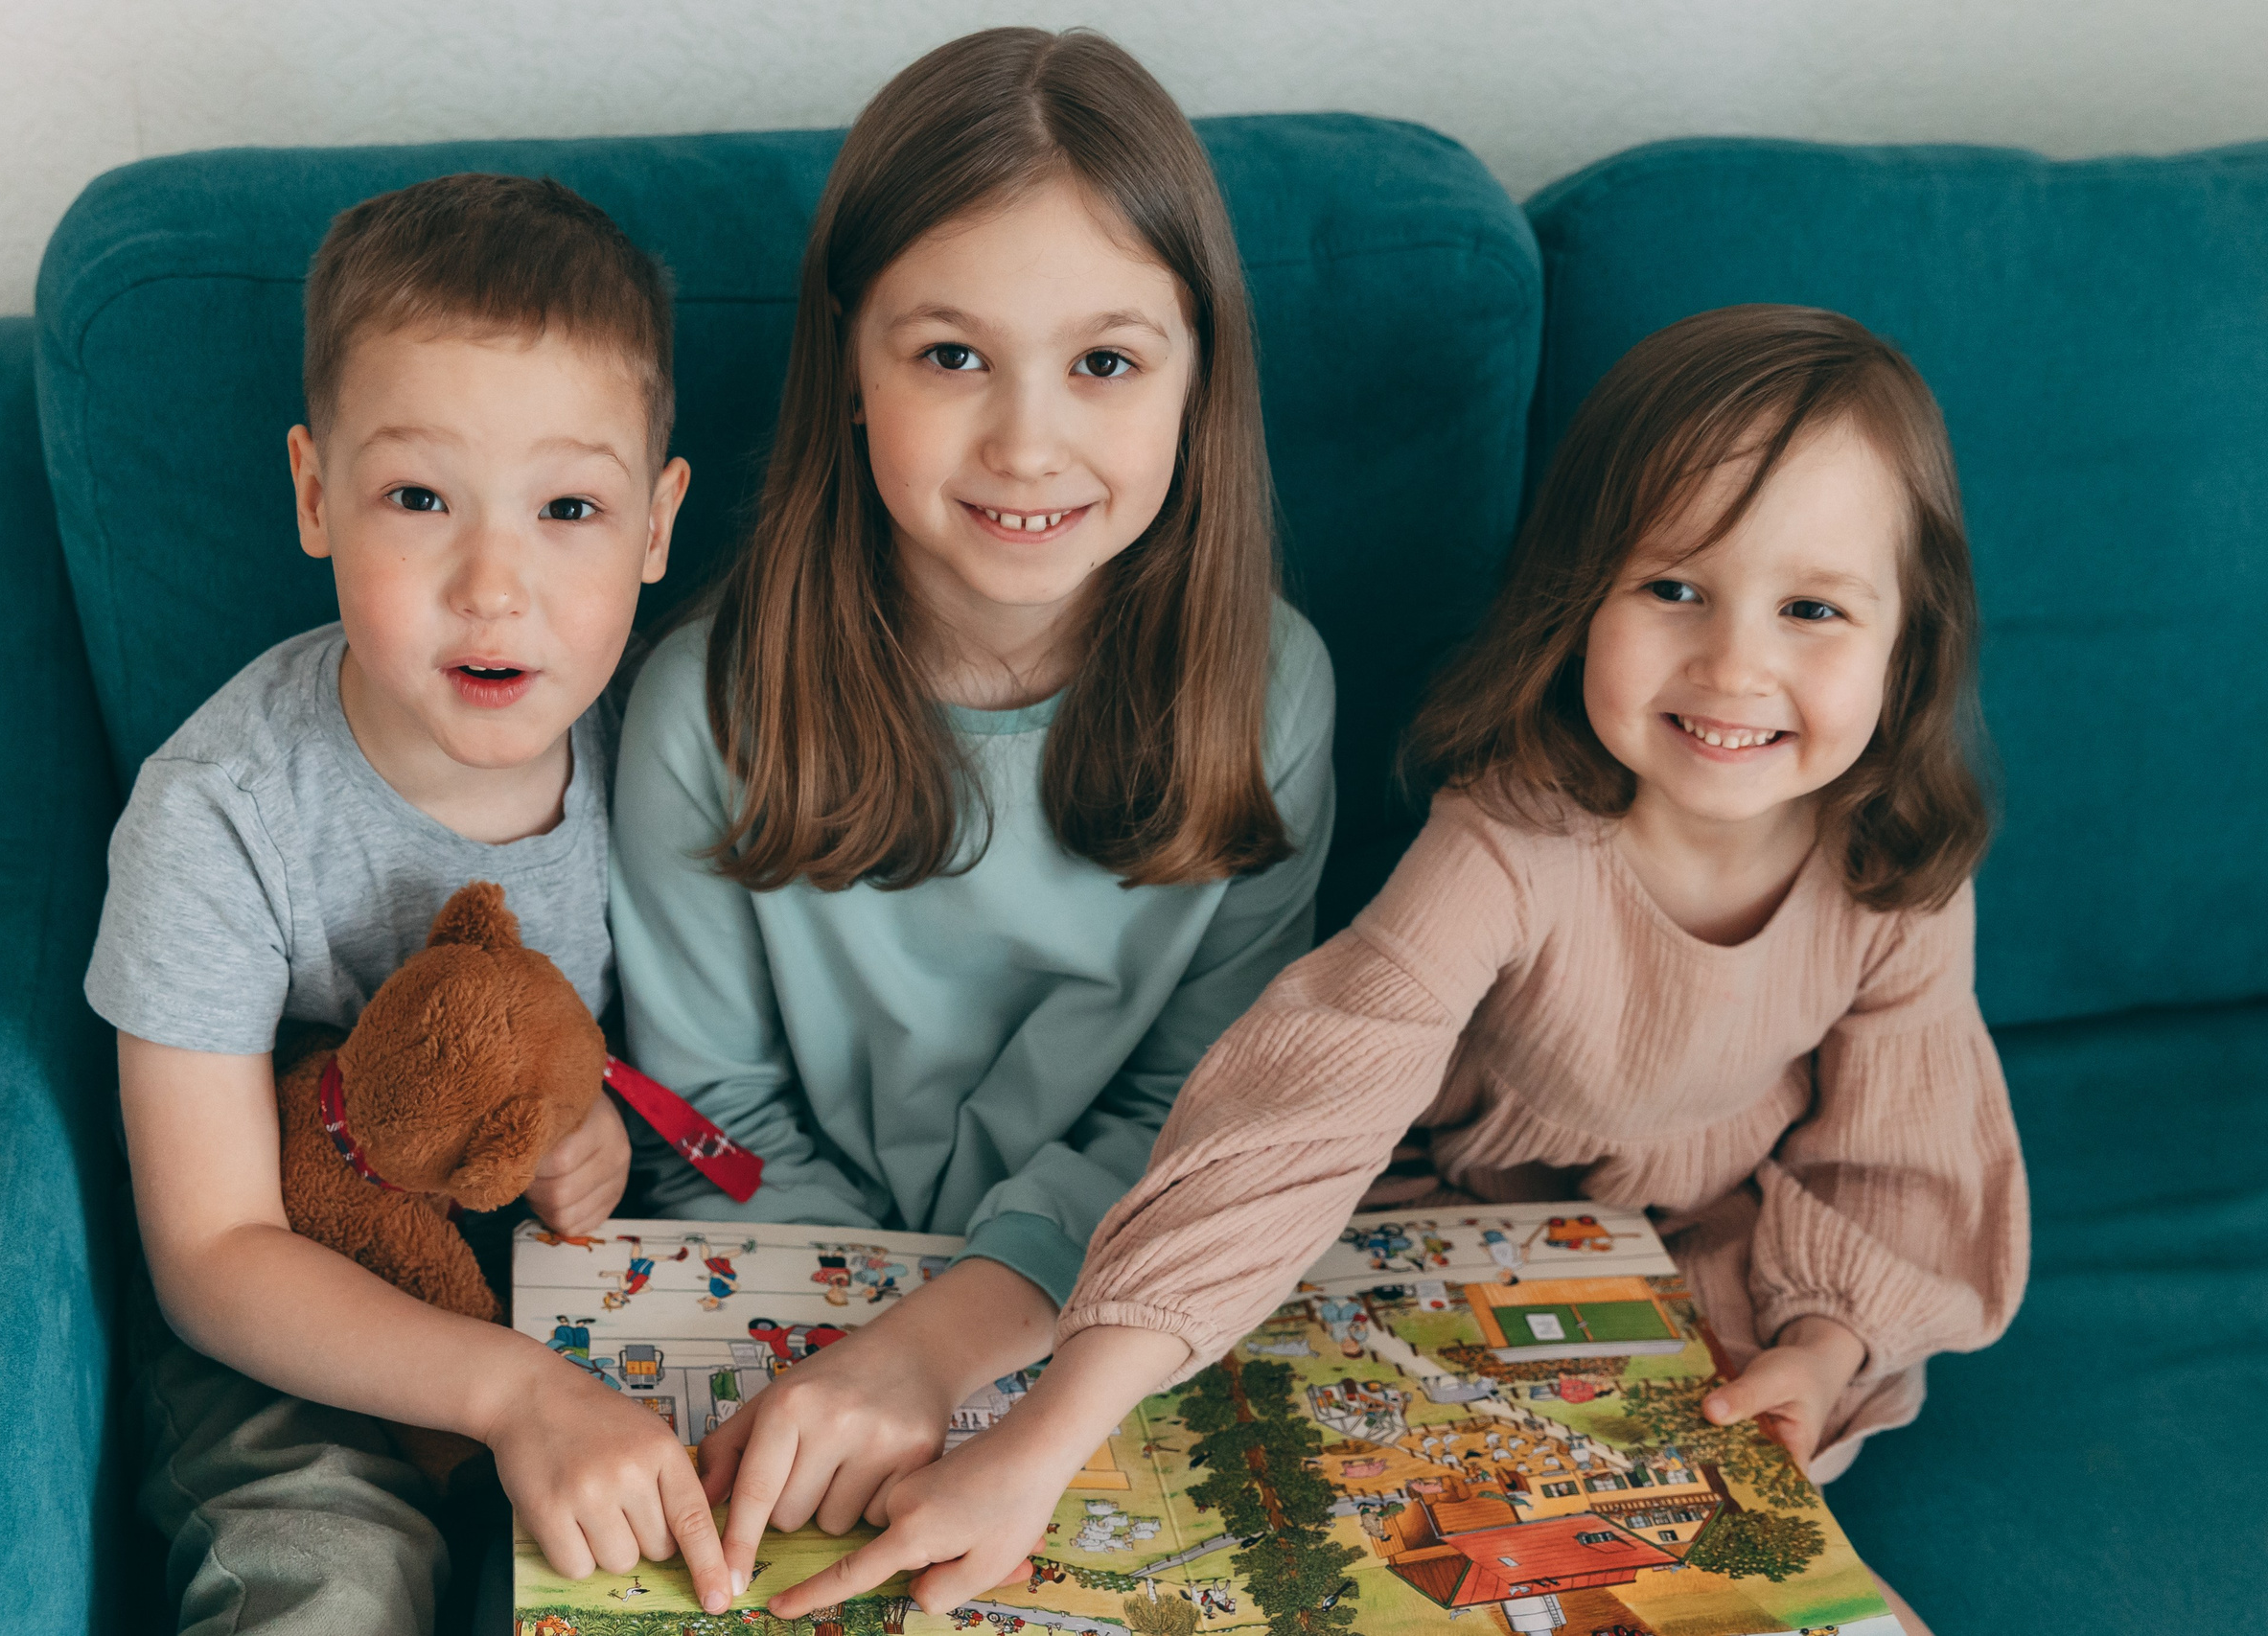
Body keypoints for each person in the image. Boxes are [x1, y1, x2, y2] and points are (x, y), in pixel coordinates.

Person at [780, 306, 2027, 1636]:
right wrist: (1043, 1442)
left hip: (1712, 1263)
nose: (1734, 664)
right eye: (1674, 588)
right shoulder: (1505, 846)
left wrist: (1826, 1350)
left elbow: (1900, 1167)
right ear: (1581, 596)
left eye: (1814, 609)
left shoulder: (1898, 871)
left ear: (1910, 647)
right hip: (1437, 1232)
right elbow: (1295, 1119)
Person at [606, 24, 1335, 1592]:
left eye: (1107, 362)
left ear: (1198, 381)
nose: (1026, 443)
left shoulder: (1269, 694)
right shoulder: (700, 712)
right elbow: (709, 1126)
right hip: (794, 1305)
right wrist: (869, 1349)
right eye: (950, 356)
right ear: (848, 370)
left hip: (1101, 1323)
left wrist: (950, 1343)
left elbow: (1201, 1120)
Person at [86, 173, 737, 1632]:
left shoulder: (669, 747)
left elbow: (686, 1059)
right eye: (418, 498)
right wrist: (512, 1393)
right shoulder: (219, 815)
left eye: (569, 506)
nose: (491, 585)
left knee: (726, 1532)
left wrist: (595, 1127)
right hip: (298, 1309)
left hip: (568, 1284)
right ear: (317, 496)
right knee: (333, 1580)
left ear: (655, 522)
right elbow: (210, 1255)